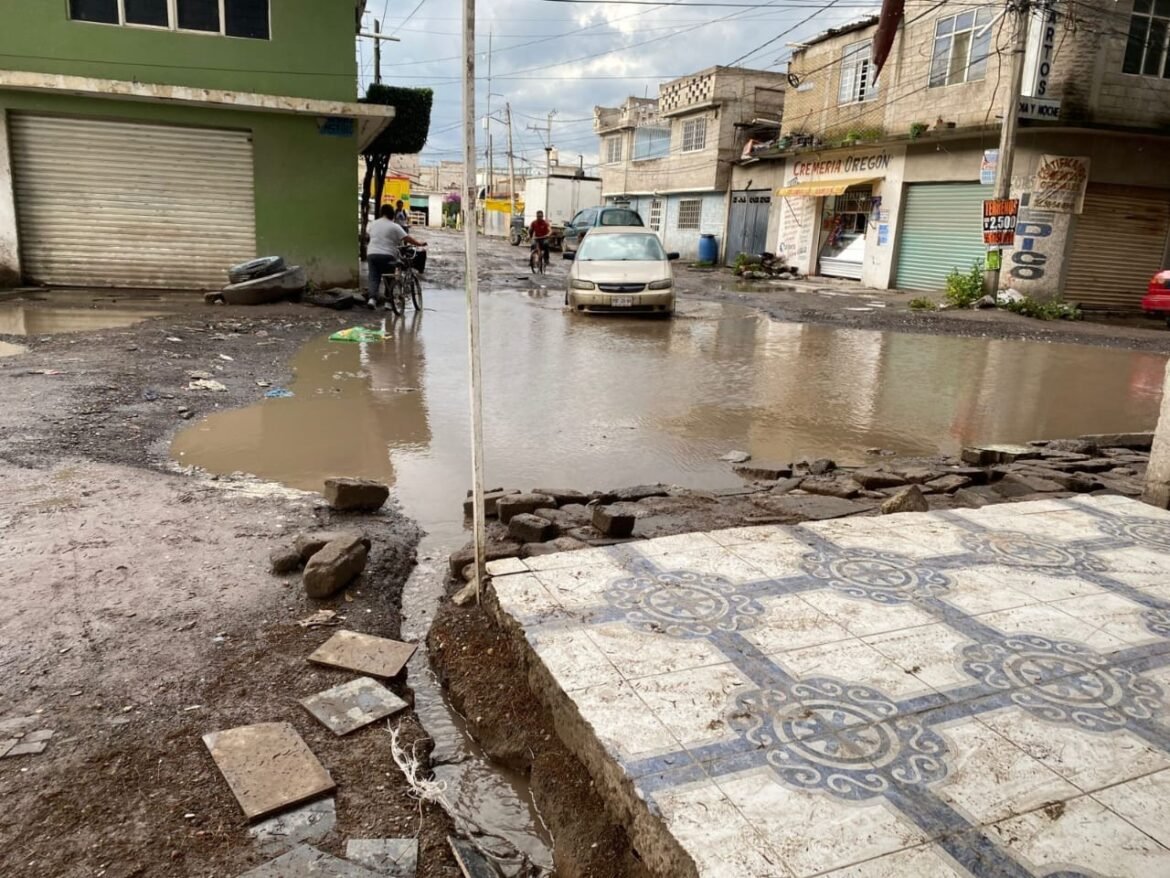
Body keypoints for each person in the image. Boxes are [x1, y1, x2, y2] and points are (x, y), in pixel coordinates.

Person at [366, 204, 426, 310]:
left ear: (381, 213)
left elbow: (369, 235)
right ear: (392, 214)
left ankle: (372, 299)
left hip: (372, 254)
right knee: (390, 278)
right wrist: (419, 244)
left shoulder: (373, 224)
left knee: (374, 277)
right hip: (388, 255)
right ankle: (388, 303)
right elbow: (407, 238)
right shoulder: (394, 226)